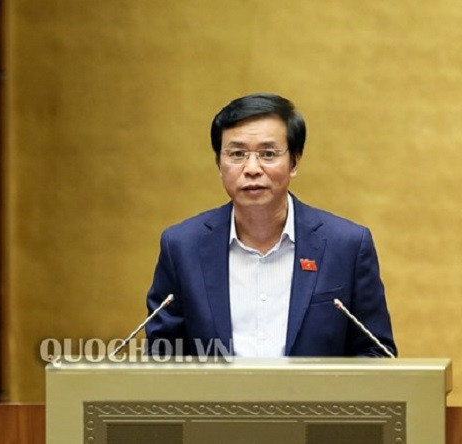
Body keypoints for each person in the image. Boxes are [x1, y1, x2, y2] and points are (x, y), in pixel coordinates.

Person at [145, 93, 396, 358]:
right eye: (237, 154)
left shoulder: (346, 246)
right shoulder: (182, 247)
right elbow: (161, 355)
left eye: (268, 154)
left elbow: (376, 352)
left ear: (294, 161)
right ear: (219, 163)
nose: (252, 168)